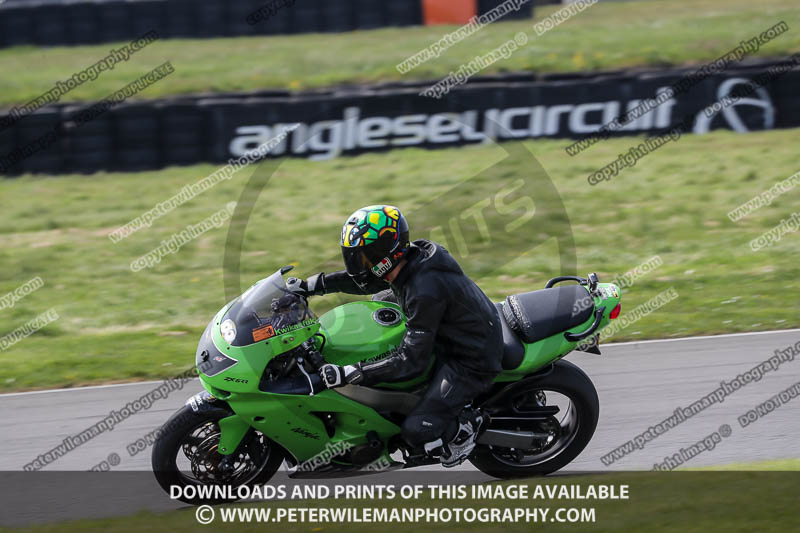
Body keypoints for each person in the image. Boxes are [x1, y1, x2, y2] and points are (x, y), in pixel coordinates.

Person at [289, 205, 503, 467]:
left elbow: (411, 361)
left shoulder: (424, 289)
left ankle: (467, 427)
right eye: (355, 257)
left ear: (384, 253)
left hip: (471, 356)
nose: (358, 264)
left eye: (364, 257)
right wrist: (312, 285)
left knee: (417, 431)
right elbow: (369, 280)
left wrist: (352, 372)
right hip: (448, 330)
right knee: (379, 303)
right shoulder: (408, 261)